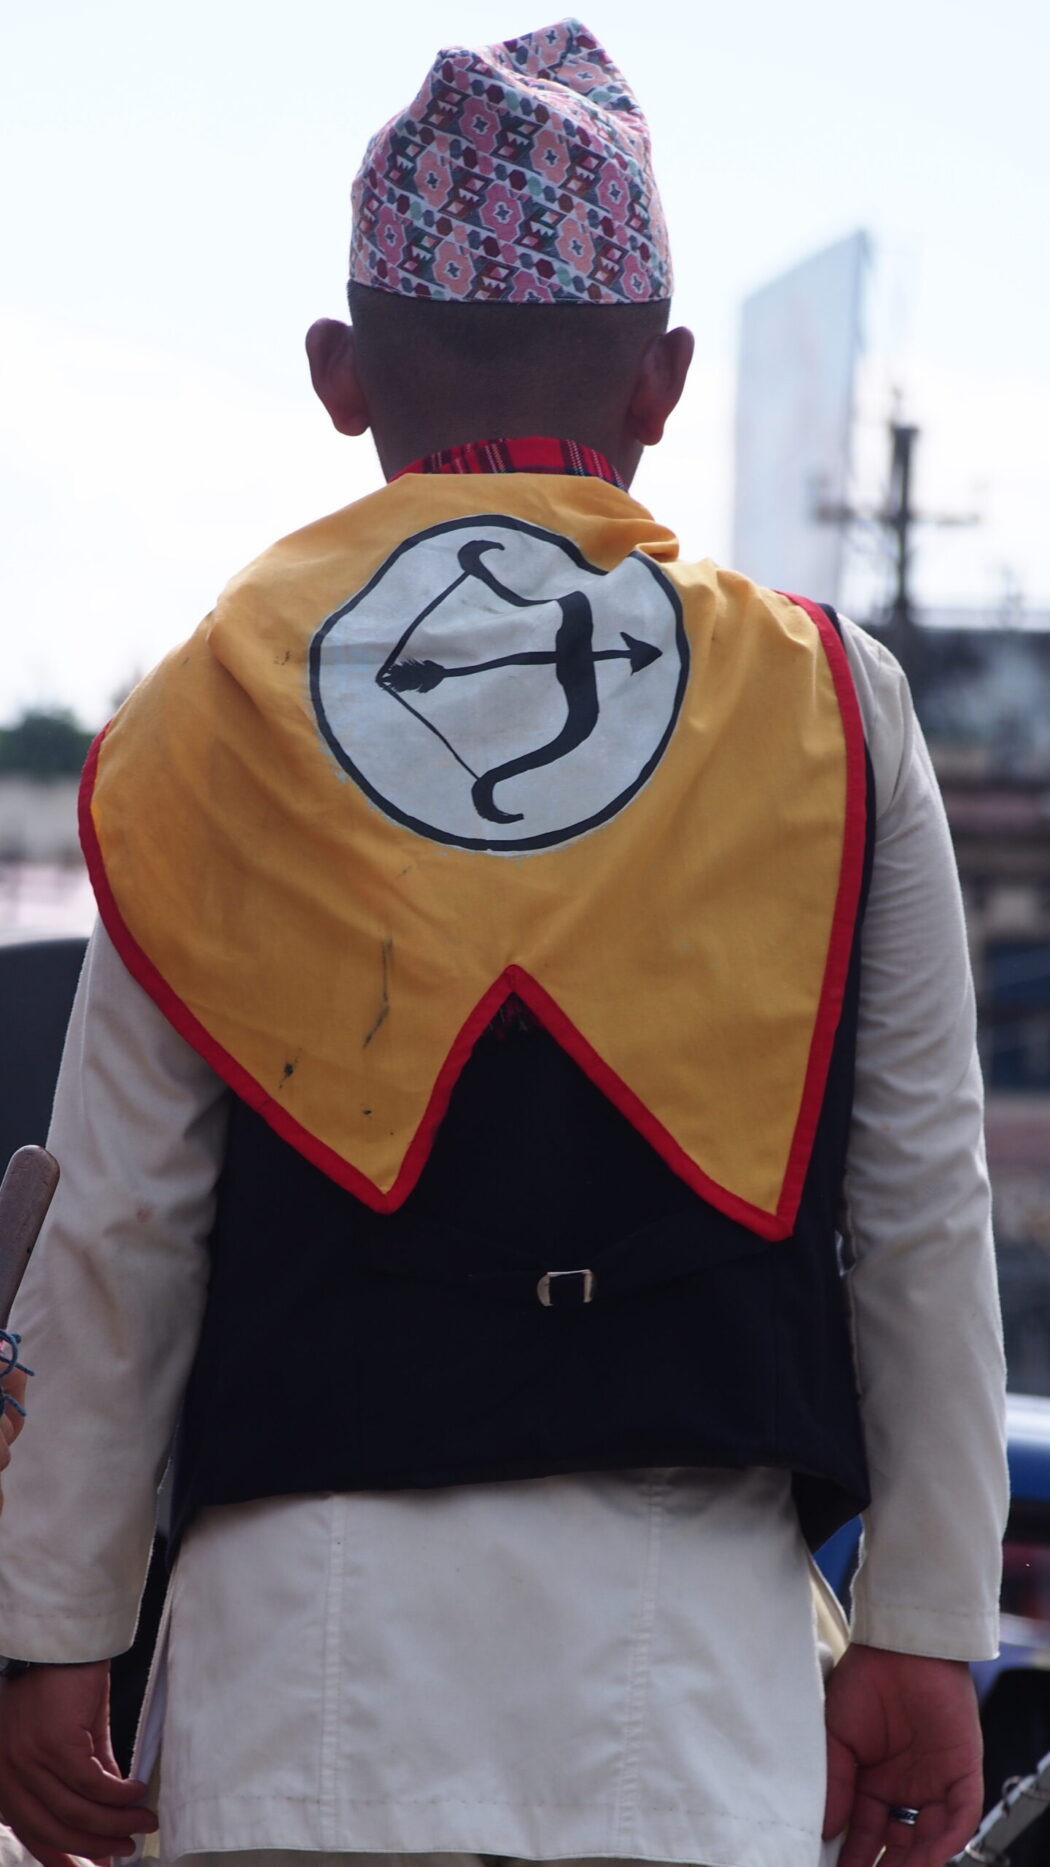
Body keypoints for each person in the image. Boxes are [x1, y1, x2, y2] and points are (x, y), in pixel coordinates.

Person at [0, 19, 1007, 1867]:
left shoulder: (209, 703)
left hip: (290, 1694)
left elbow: (121, 1218)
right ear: (665, 381)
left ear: (336, 374)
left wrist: (47, 1625)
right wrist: (927, 1620)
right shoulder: (824, 701)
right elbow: (921, 1196)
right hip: (694, 1699)